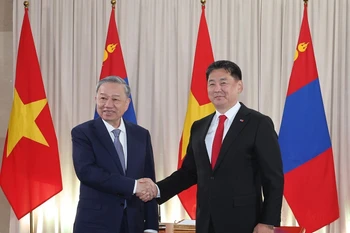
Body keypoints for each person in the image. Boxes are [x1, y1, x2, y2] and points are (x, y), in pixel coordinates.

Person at [155, 60, 284, 233]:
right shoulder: (199, 127)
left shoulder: (258, 123)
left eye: (223, 83)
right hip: (206, 222)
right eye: (212, 83)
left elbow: (273, 178)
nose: (217, 89)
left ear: (239, 86)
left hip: (245, 223)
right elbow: (189, 173)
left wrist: (268, 222)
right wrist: (155, 191)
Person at [72, 76, 158, 233]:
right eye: (103, 98)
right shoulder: (83, 133)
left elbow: (149, 179)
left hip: (133, 224)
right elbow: (87, 172)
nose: (108, 105)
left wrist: (151, 227)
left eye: (115, 100)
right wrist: (134, 186)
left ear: (127, 104)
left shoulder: (141, 135)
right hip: (95, 224)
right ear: (96, 99)